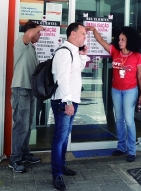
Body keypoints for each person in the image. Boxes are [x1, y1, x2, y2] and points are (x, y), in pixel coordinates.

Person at [86, 26, 141, 163]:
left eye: (123, 40)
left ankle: (131, 150)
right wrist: (94, 30)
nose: (120, 42)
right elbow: (101, 41)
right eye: (119, 39)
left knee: (129, 120)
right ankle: (121, 146)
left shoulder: (137, 56)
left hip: (130, 90)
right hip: (116, 90)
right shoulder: (115, 52)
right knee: (119, 119)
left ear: (130, 41)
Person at [50, 22, 90, 190]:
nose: (84, 37)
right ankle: (57, 174)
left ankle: (61, 166)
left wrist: (82, 56)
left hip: (71, 99)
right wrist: (67, 102)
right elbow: (62, 79)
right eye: (82, 34)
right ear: (73, 34)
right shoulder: (64, 52)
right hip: (63, 100)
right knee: (60, 138)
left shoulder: (73, 51)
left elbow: (76, 71)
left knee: (65, 137)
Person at [9, 21, 44, 173]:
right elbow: (28, 34)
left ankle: (24, 153)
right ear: (30, 32)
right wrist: (39, 27)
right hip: (21, 89)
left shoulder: (32, 48)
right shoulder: (21, 43)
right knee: (20, 125)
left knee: (27, 124)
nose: (40, 34)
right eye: (38, 32)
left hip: (30, 91)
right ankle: (15, 159)